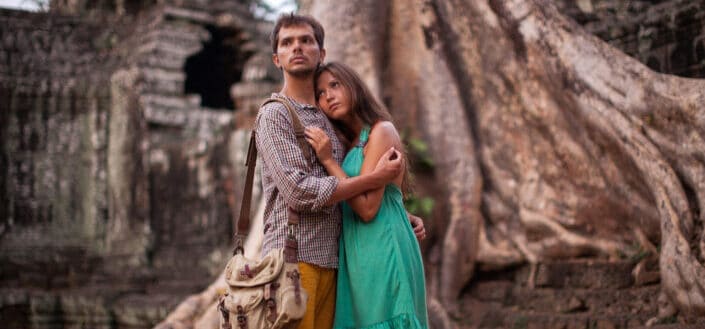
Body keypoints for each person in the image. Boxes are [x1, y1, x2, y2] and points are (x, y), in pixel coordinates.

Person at [255, 14, 426, 329]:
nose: (297, 48)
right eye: (288, 43)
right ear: (276, 59)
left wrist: (399, 212)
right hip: (294, 256)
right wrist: (376, 179)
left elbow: (357, 186)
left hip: (335, 262)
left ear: (321, 53)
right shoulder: (275, 114)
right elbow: (299, 190)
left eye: (306, 40)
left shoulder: (329, 121)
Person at [305, 62, 429, 329]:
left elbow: (368, 208)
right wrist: (405, 214)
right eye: (320, 93)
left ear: (354, 85)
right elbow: (377, 191)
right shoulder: (350, 141)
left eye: (335, 85)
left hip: (380, 246)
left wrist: (328, 161)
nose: (328, 96)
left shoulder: (380, 131)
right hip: (357, 251)